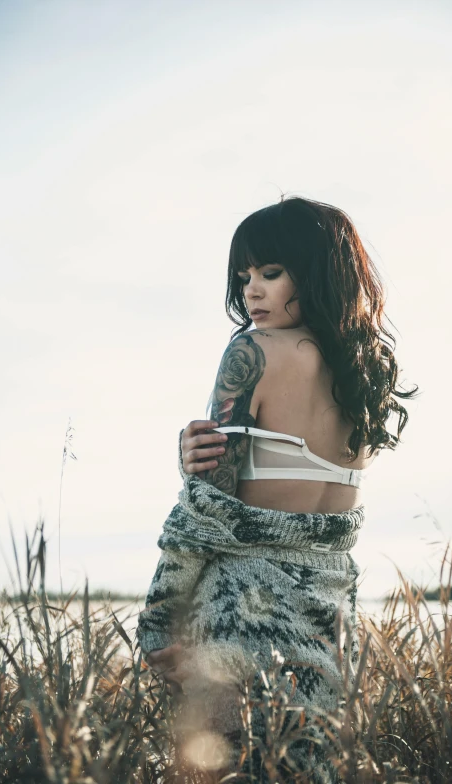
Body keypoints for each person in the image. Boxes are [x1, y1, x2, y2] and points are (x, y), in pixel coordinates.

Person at [136, 194, 418, 780]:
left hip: (242, 609)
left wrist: (160, 619)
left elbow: (208, 509)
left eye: (270, 272)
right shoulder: (365, 373)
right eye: (244, 277)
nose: (251, 293)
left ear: (314, 272)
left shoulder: (252, 351)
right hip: (330, 619)